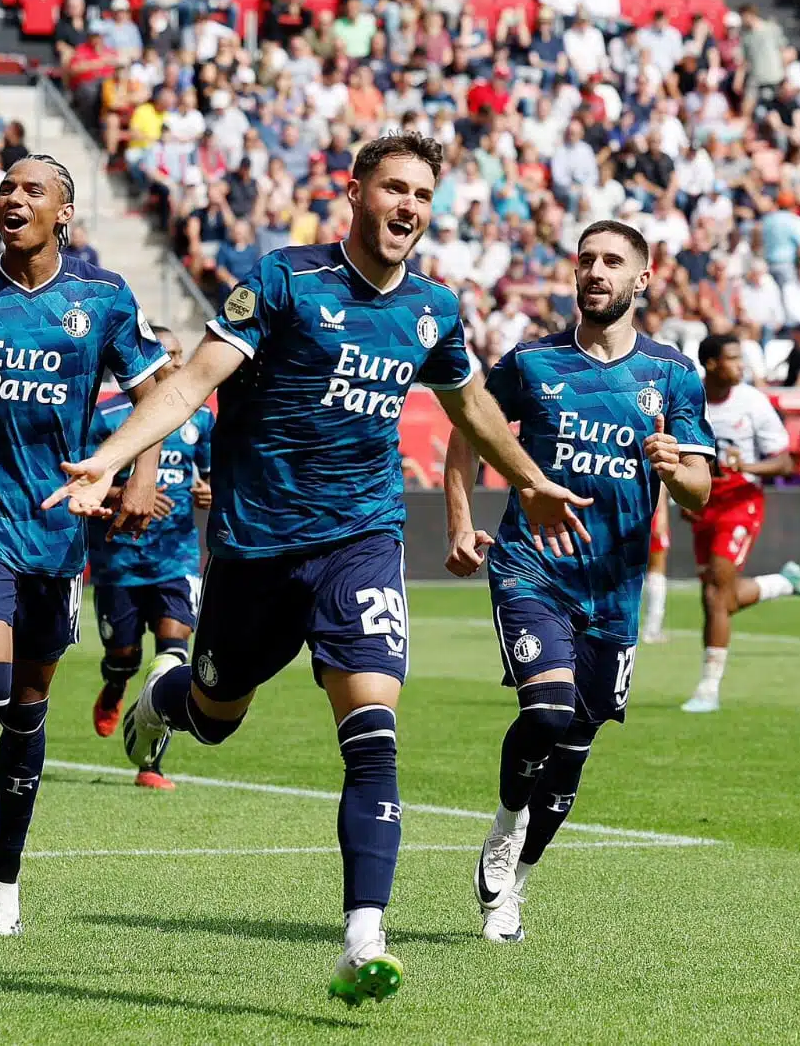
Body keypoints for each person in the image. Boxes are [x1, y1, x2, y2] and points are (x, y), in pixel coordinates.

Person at [44, 134, 592, 1005]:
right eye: (393, 188)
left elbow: (473, 406)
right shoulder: (284, 280)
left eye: (421, 192)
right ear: (356, 191)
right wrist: (112, 458)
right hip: (257, 551)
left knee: (374, 733)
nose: (407, 205)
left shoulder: (433, 309)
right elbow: (189, 387)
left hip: (363, 540)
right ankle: (163, 698)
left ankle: (361, 937)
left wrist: (528, 483)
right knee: (216, 716)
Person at [0, 154, 169, 938]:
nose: (13, 197)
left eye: (32, 190)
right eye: (7, 187)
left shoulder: (103, 298)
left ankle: (6, 874)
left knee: (27, 709)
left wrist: (132, 477)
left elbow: (157, 395)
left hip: (57, 533)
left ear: (64, 212)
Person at [444, 221, 715, 945]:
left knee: (574, 750)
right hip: (532, 566)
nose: (596, 270)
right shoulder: (531, 363)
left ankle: (516, 885)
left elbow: (700, 490)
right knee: (547, 711)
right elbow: (466, 432)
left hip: (615, 590)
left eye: (612, 261)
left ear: (642, 279)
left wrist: (674, 466)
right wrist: (461, 522)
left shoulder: (673, 375)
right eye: (586, 259)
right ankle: (504, 826)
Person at [87, 326, 214, 792]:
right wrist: (124, 493)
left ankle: (150, 762)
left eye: (182, 356)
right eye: (168, 356)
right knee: (123, 656)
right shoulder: (108, 418)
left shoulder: (199, 420)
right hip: (119, 560)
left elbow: (214, 475)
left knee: (171, 659)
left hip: (176, 559)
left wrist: (209, 491)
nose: (177, 365)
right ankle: (116, 684)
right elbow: (84, 481)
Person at [681, 335, 800, 714]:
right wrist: (683, 493)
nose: (740, 366)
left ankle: (709, 689)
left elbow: (784, 463)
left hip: (741, 505)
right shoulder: (688, 398)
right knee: (715, 597)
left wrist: (744, 466)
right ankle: (782, 582)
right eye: (732, 358)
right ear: (711, 364)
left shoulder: (753, 403)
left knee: (716, 596)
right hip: (703, 505)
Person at [641, 485, 671, 643]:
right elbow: (658, 479)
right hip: (650, 510)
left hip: (630, 510)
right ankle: (652, 629)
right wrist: (662, 513)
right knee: (657, 568)